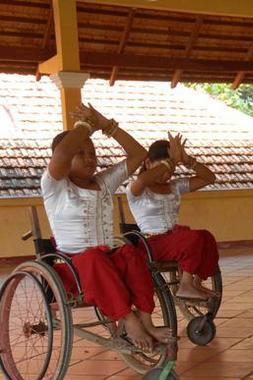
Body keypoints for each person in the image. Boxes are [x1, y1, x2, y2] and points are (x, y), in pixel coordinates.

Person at [41, 103, 172, 352]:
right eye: (80, 153)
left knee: (130, 253)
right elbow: (60, 155)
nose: (90, 158)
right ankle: (128, 320)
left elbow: (138, 154)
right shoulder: (55, 185)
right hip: (74, 266)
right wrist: (84, 126)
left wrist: (107, 126)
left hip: (107, 259)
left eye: (92, 152)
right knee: (93, 257)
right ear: (66, 158)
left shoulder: (103, 182)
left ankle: (146, 320)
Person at [126, 134, 219, 300]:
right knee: (193, 238)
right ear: (147, 163)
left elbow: (209, 178)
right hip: (152, 243)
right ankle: (185, 285)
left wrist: (187, 160)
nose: (167, 175)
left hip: (175, 239)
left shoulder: (175, 186)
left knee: (206, 237)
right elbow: (142, 179)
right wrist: (170, 161)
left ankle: (195, 282)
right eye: (162, 170)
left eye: (171, 171)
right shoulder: (136, 189)